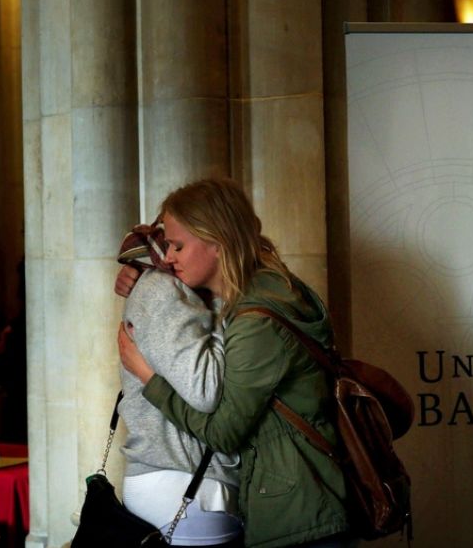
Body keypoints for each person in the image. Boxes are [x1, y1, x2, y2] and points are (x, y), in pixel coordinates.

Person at [117, 178, 352, 548]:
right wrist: (144, 269)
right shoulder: (265, 292)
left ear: (218, 241)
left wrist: (150, 380)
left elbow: (223, 431)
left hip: (299, 510)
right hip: (296, 499)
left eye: (177, 245)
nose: (169, 257)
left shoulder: (257, 319)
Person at [115, 221, 242, 546]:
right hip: (184, 481)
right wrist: (223, 303)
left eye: (178, 247)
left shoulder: (170, 288)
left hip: (179, 478)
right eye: (169, 245)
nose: (170, 256)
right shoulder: (164, 290)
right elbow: (205, 390)